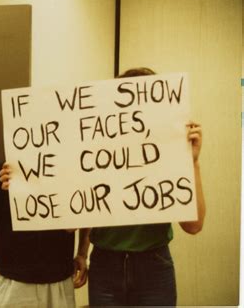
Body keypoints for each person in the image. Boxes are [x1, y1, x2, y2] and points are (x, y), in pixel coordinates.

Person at [84, 67, 206, 306]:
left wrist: (193, 162)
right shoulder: (98, 152)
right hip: (105, 264)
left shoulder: (168, 155)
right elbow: (75, 218)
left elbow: (194, 225)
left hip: (154, 265)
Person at [0, 162, 89, 307]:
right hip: (13, 286)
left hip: (60, 283)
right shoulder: (4, 171)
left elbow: (86, 215)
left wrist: (82, 253)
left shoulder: (72, 171)